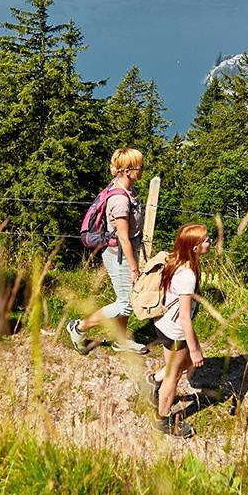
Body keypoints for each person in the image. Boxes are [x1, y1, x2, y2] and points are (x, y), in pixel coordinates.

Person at [67, 147, 149, 355]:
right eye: (140, 166)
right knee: (126, 304)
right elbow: (123, 237)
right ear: (128, 170)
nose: (143, 169)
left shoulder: (124, 187)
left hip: (126, 251)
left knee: (127, 298)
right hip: (120, 256)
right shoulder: (120, 200)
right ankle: (79, 327)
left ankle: (121, 340)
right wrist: (134, 267)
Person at [146, 223, 211, 438]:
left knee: (182, 365)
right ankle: (163, 421)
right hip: (175, 331)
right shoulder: (187, 276)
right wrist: (194, 349)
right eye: (206, 240)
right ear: (195, 247)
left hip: (163, 323)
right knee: (174, 375)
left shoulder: (175, 260)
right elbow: (184, 317)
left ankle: (152, 381)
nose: (210, 242)